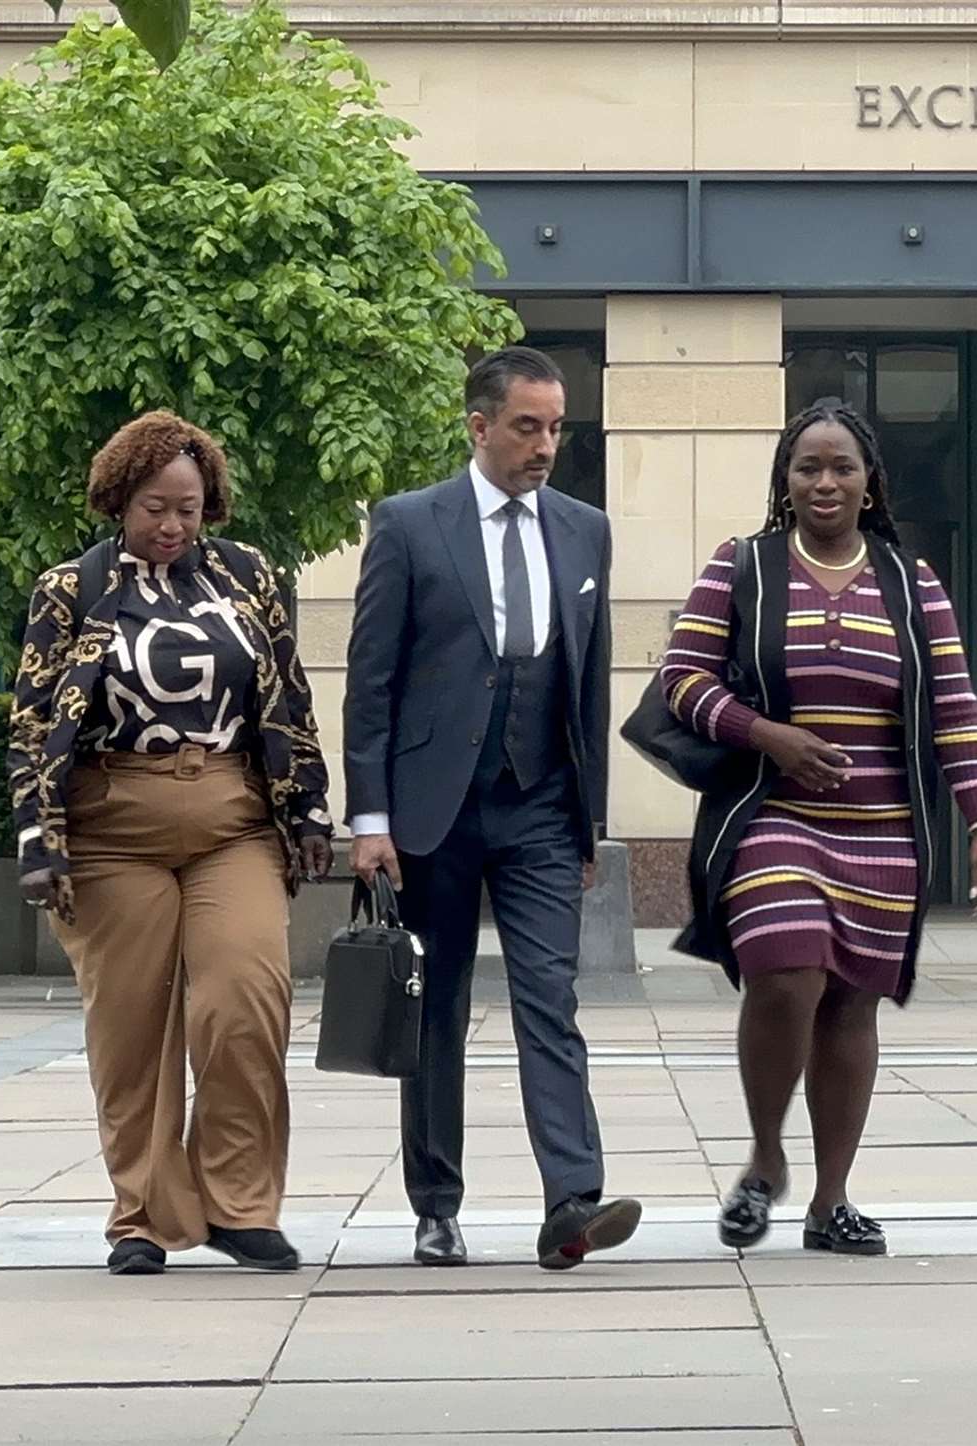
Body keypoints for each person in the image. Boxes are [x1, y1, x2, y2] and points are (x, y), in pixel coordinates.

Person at [662, 397, 977, 1256]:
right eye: (807, 466)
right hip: (774, 816)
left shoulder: (910, 581)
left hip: (884, 830)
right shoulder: (742, 567)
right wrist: (764, 734)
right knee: (787, 972)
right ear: (785, 480)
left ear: (868, 482)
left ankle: (831, 1200)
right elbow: (680, 679)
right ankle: (766, 1155)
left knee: (852, 1005)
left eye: (841, 466)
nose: (824, 480)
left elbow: (956, 708)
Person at [8, 411, 334, 1276]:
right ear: (120, 499)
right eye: (157, 507)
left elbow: (288, 699)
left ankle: (241, 1206)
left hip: (231, 817)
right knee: (132, 1030)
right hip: (113, 827)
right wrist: (38, 840)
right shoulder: (69, 589)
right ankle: (143, 1219)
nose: (173, 526)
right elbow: (33, 721)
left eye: (189, 509)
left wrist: (308, 809)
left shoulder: (247, 577)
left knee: (243, 1000)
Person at [343, 346, 641, 1270]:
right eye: (527, 426)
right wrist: (371, 822)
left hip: (543, 809)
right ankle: (436, 1205)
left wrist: (589, 821)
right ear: (479, 427)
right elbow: (372, 683)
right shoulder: (409, 524)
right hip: (433, 813)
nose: (545, 444)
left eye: (556, 426)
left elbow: (587, 681)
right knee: (437, 1008)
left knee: (550, 997)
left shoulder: (585, 530)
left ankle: (572, 1202)